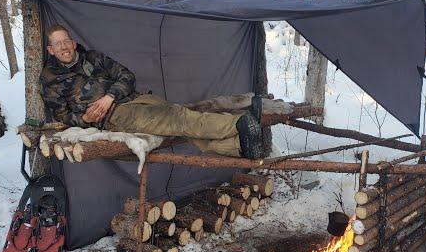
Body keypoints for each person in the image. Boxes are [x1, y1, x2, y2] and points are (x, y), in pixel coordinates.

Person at [40, 24, 264, 158]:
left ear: (74, 42)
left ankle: (239, 147)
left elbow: (127, 76)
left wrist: (110, 96)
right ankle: (239, 124)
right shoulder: (50, 78)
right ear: (51, 50)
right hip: (115, 116)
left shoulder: (94, 57)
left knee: (180, 125)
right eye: (58, 44)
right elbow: (61, 115)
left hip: (138, 100)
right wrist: (85, 118)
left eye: (66, 41)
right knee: (178, 118)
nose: (64, 47)